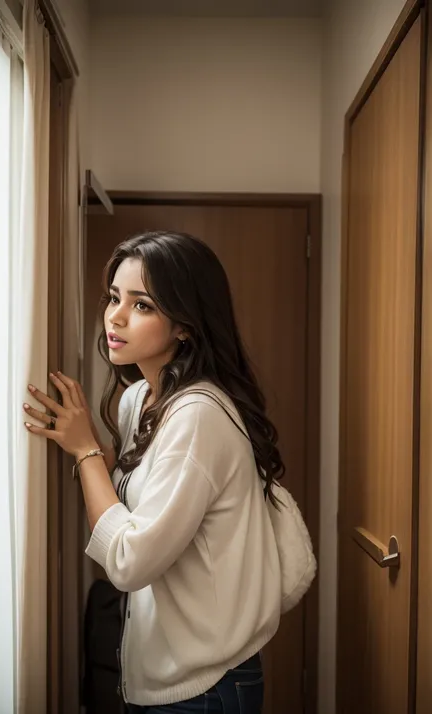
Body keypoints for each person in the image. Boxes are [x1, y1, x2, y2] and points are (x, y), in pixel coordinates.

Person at [23, 231, 285, 713]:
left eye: (142, 305)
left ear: (185, 325)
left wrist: (86, 453)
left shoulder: (198, 417)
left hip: (205, 686)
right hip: (161, 671)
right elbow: (138, 502)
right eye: (113, 297)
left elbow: (127, 562)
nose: (114, 317)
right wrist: (90, 446)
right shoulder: (137, 400)